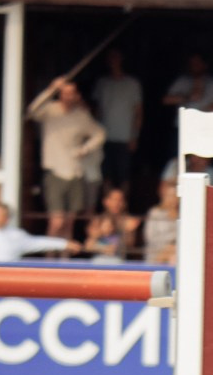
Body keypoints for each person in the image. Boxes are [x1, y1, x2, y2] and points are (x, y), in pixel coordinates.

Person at [25, 75, 106, 245]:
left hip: (75, 172)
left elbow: (100, 133)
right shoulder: (50, 110)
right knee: (56, 222)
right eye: (64, 93)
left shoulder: (82, 116)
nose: (68, 96)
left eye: (71, 93)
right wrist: (51, 88)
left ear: (77, 96)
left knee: (68, 223)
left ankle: (64, 261)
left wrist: (85, 149)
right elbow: (31, 111)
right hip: (55, 172)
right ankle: (49, 261)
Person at [91, 50, 142, 197]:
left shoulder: (132, 84)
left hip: (125, 137)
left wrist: (134, 136)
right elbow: (97, 110)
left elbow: (138, 112)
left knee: (124, 176)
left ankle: (122, 209)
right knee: (106, 174)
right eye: (111, 58)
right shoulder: (102, 83)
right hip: (104, 137)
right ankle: (108, 208)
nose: (113, 61)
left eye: (116, 57)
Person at [0, 202, 77, 260]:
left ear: (7, 218)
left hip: (6, 280)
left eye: (0, 215)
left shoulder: (16, 235)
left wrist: (64, 244)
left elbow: (38, 243)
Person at [83, 185, 140, 262]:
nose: (116, 203)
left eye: (120, 200)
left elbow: (130, 245)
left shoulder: (128, 221)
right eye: (113, 199)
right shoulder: (98, 220)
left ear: (124, 203)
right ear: (105, 201)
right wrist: (102, 232)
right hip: (98, 261)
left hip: (118, 262)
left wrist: (128, 231)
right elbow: (88, 246)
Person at [141, 178, 180, 264]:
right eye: (169, 195)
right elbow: (149, 237)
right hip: (156, 251)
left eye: (174, 196)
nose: (172, 199)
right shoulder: (155, 213)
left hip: (175, 251)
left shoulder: (181, 216)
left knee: (175, 253)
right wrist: (170, 242)